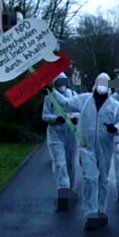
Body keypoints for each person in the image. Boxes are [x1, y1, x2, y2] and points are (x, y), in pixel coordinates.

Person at [52, 73, 119, 229]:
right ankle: (91, 214)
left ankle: (101, 211)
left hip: (105, 148)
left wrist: (116, 128)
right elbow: (65, 103)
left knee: (103, 180)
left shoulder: (114, 105)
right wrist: (50, 92)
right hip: (87, 148)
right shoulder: (84, 100)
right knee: (89, 179)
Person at [43, 72, 81, 211]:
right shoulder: (49, 97)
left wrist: (74, 117)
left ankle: (70, 189)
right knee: (60, 163)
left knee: (71, 163)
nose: (61, 84)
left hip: (71, 133)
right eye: (58, 82)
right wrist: (55, 119)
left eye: (63, 81)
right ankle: (63, 193)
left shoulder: (73, 95)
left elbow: (79, 110)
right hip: (56, 134)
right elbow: (45, 115)